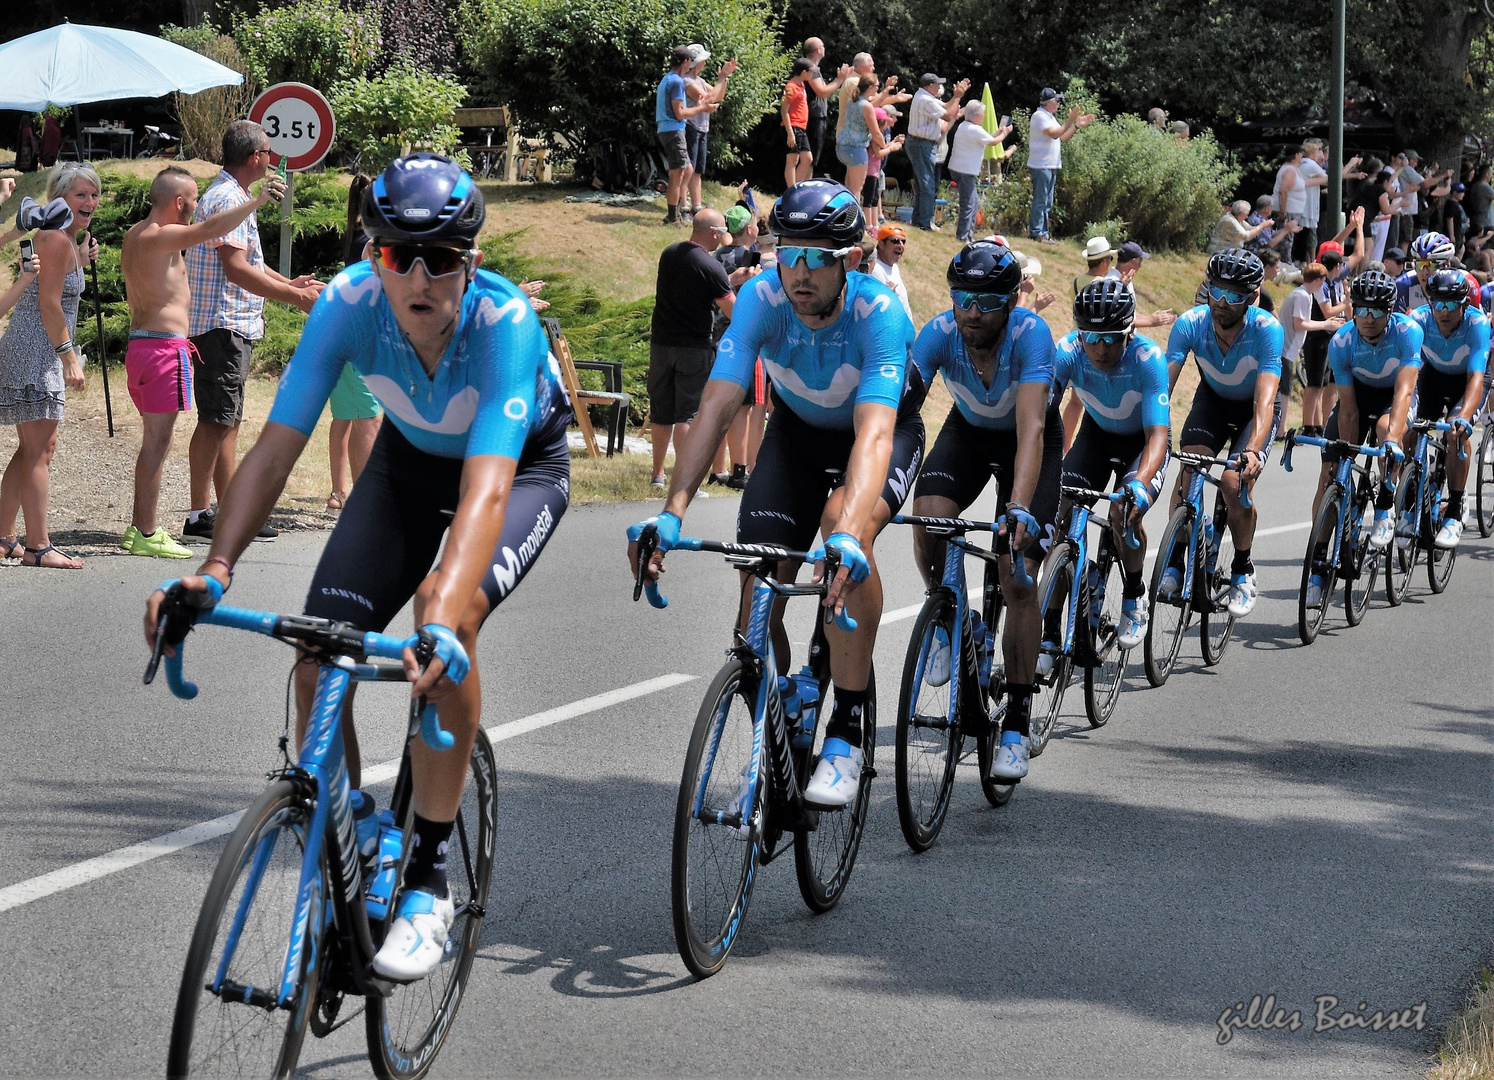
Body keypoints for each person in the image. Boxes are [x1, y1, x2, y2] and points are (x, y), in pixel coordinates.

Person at [144, 154, 572, 981]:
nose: (418, 277)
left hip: (517, 474)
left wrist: (442, 609)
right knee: (320, 648)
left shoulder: (504, 323)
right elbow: (277, 446)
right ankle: (347, 829)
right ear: (370, 256)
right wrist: (217, 569)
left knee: (449, 619)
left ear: (469, 262)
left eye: (441, 258)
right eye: (393, 255)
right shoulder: (345, 304)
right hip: (407, 470)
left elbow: (486, 491)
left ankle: (428, 879)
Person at [627, 179, 924, 808]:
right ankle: (782, 709)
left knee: (848, 525)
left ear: (849, 261)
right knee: (758, 582)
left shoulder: (878, 312)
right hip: (795, 435)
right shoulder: (760, 297)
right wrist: (673, 509)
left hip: (876, 435)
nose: (800, 271)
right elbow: (717, 403)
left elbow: (873, 433)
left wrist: (845, 535)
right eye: (789, 253)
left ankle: (845, 727)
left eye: (818, 257)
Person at [909, 241, 1063, 781]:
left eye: (985, 301)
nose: (971, 311)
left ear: (1009, 301)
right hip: (969, 432)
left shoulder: (1030, 336)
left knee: (1015, 573)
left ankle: (1017, 721)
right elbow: (901, 405)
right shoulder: (939, 334)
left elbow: (1033, 431)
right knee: (928, 511)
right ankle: (950, 617)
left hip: (1029, 444)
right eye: (962, 298)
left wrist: (1018, 508)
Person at [120, 166, 286, 560]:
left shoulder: (134, 235)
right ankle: (146, 531)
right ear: (179, 202)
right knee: (157, 444)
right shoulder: (161, 236)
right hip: (163, 350)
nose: (197, 206)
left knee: (153, 444)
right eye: (194, 199)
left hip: (141, 347)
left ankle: (138, 528)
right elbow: (209, 231)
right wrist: (257, 201)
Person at [184, 121, 324, 543]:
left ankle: (228, 511)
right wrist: (292, 298)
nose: (272, 157)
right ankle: (199, 516)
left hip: (229, 326)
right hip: (220, 325)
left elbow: (250, 261)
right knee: (215, 422)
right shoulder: (228, 196)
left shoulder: (235, 195)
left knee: (227, 421)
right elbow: (236, 268)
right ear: (254, 158)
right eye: (268, 150)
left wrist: (289, 284)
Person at [1163, 249, 1283, 616]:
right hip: (1212, 401)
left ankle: (1243, 569)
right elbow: (1161, 390)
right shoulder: (1189, 323)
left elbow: (1264, 402)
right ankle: (1174, 562)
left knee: (1233, 483)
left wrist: (1254, 450)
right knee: (1189, 469)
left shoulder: (1266, 330)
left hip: (1254, 410)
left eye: (1233, 295)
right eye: (1216, 290)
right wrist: (1153, 433)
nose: (1222, 301)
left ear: (1251, 298)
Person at [1054, 279, 1171, 648]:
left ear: (1130, 331)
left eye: (1111, 338)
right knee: (1061, 511)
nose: (1099, 348)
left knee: (1124, 512)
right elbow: (1040, 417)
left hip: (1142, 442)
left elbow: (1157, 436)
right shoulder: (1068, 351)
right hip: (1097, 434)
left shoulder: (1148, 359)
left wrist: (1140, 483)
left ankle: (1135, 594)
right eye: (1091, 336)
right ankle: (1049, 633)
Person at [0, 164, 99, 569]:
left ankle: (5, 538)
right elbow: (49, 303)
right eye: (80, 195)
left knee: (33, 449)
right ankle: (39, 546)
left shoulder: (65, 240)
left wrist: (81, 253)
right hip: (36, 348)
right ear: (59, 199)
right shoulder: (54, 238)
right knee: (40, 449)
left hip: (38, 347)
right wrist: (69, 357)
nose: (89, 202)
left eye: (93, 195)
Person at [1305, 272, 1422, 607]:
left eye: (1377, 312)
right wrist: (1344, 454)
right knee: (1330, 473)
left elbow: (1404, 393)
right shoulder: (1341, 341)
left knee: (1388, 432)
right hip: (1358, 396)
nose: (1369, 319)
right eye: (1362, 310)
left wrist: (1393, 441)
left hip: (1394, 398)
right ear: (1354, 308)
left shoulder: (1407, 333)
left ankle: (1386, 503)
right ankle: (1317, 564)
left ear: (1390, 311)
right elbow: (1349, 409)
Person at [647, 208, 743, 487]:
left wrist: (727, 281)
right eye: (723, 232)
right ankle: (685, 478)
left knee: (661, 411)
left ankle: (657, 474)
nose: (724, 238)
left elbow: (692, 286)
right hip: (694, 348)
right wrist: (732, 286)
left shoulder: (669, 254)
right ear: (713, 233)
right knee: (687, 415)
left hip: (662, 343)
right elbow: (732, 311)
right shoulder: (711, 266)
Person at [1406, 269, 1489, 549]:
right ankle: (1410, 494)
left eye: (1451, 305)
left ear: (1465, 305)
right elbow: (1407, 369)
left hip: (1467, 380)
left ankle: (1454, 509)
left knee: (1456, 434)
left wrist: (1464, 418)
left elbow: (1476, 378)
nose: (1443, 311)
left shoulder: (1477, 324)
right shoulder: (1418, 319)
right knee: (1408, 429)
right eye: (1437, 303)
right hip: (1433, 376)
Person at [328, 173, 384, 511]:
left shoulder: (362, 236)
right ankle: (363, 500)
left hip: (348, 336)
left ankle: (341, 493)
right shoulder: (370, 243)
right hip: (357, 339)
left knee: (349, 416)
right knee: (368, 418)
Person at [712, 205, 766, 488]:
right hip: (743, 337)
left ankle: (716, 468)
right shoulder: (747, 258)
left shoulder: (716, 256)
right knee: (743, 408)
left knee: (718, 405)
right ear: (748, 229)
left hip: (716, 336)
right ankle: (739, 470)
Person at [656, 46, 720, 225]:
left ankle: (677, 211)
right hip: (673, 129)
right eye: (689, 60)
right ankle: (673, 216)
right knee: (678, 174)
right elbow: (679, 113)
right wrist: (702, 109)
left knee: (687, 170)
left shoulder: (668, 78)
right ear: (685, 62)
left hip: (669, 129)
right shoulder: (676, 81)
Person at [1286, 262, 1346, 437]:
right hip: (1311, 342)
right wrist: (1326, 324)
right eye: (1323, 280)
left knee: (1321, 384)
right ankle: (1308, 425)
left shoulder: (1307, 295)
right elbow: (1298, 323)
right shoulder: (1303, 296)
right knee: (1313, 385)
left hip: (1315, 340)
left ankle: (1318, 425)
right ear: (1319, 280)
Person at [906, 73, 971, 232]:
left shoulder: (925, 97)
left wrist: (956, 98)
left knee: (923, 186)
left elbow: (945, 107)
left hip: (920, 144)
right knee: (927, 185)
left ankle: (918, 220)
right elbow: (948, 115)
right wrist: (957, 96)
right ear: (929, 86)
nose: (939, 87)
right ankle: (924, 223)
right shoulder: (925, 100)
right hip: (922, 144)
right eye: (937, 84)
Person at [1027, 87, 1093, 244]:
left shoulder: (1049, 117)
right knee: (1041, 200)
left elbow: (1062, 137)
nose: (1058, 104)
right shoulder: (1039, 116)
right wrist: (1070, 120)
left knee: (1047, 202)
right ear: (1049, 102)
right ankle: (1036, 233)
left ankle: (1044, 234)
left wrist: (1076, 125)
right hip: (1040, 165)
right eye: (1057, 101)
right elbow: (1055, 133)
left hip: (1049, 165)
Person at [682, 45, 738, 218]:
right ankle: (683, 206)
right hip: (691, 127)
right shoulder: (687, 81)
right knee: (687, 169)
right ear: (696, 62)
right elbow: (709, 98)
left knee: (697, 169)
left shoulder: (698, 80)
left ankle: (696, 206)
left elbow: (717, 96)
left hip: (701, 129)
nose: (706, 62)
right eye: (703, 59)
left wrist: (724, 77)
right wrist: (720, 80)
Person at [946, 100, 1008, 242]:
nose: (984, 116)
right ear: (976, 115)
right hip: (965, 171)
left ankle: (968, 234)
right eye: (982, 114)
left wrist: (999, 131)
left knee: (972, 202)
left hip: (957, 168)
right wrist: (1005, 133)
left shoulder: (964, 126)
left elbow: (987, 138)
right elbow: (993, 142)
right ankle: (963, 236)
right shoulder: (974, 129)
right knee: (969, 204)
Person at [835, 74, 885, 214]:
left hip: (842, 147)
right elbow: (876, 133)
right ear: (870, 87)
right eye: (876, 86)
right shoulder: (866, 106)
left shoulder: (853, 101)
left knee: (849, 187)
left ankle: (844, 215)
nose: (877, 89)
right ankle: (853, 219)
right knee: (857, 189)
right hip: (856, 150)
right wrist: (885, 146)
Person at [800, 38, 850, 171]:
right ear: (818, 49)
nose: (824, 48)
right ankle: (799, 189)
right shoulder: (811, 68)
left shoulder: (813, 68)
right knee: (807, 160)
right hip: (813, 117)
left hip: (816, 117)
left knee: (811, 161)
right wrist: (839, 79)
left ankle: (805, 189)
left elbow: (824, 90)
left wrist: (842, 78)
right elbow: (822, 92)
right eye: (823, 45)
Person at [862, 104, 904, 231]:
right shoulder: (875, 137)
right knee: (869, 199)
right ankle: (868, 225)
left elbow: (883, 147)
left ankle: (874, 224)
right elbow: (879, 153)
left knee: (875, 198)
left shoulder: (879, 135)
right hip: (870, 171)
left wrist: (893, 142)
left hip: (875, 171)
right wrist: (892, 148)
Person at [782, 58, 815, 189]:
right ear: (803, 72)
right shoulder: (791, 87)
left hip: (801, 127)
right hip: (793, 126)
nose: (813, 74)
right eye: (811, 72)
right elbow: (784, 110)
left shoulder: (801, 85)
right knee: (792, 160)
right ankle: (791, 190)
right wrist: (790, 132)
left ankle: (796, 187)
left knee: (807, 159)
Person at [869, 221, 913, 319]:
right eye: (895, 241)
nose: (900, 245)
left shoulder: (894, 267)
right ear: (881, 244)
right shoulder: (875, 269)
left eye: (903, 241)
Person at [1208, 200, 1273, 254]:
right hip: (1218, 252)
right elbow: (1246, 236)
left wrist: (1264, 226)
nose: (1247, 217)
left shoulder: (1238, 219)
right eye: (1246, 214)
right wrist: (1261, 226)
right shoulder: (1229, 220)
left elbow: (1250, 229)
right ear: (1240, 214)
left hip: (1228, 252)